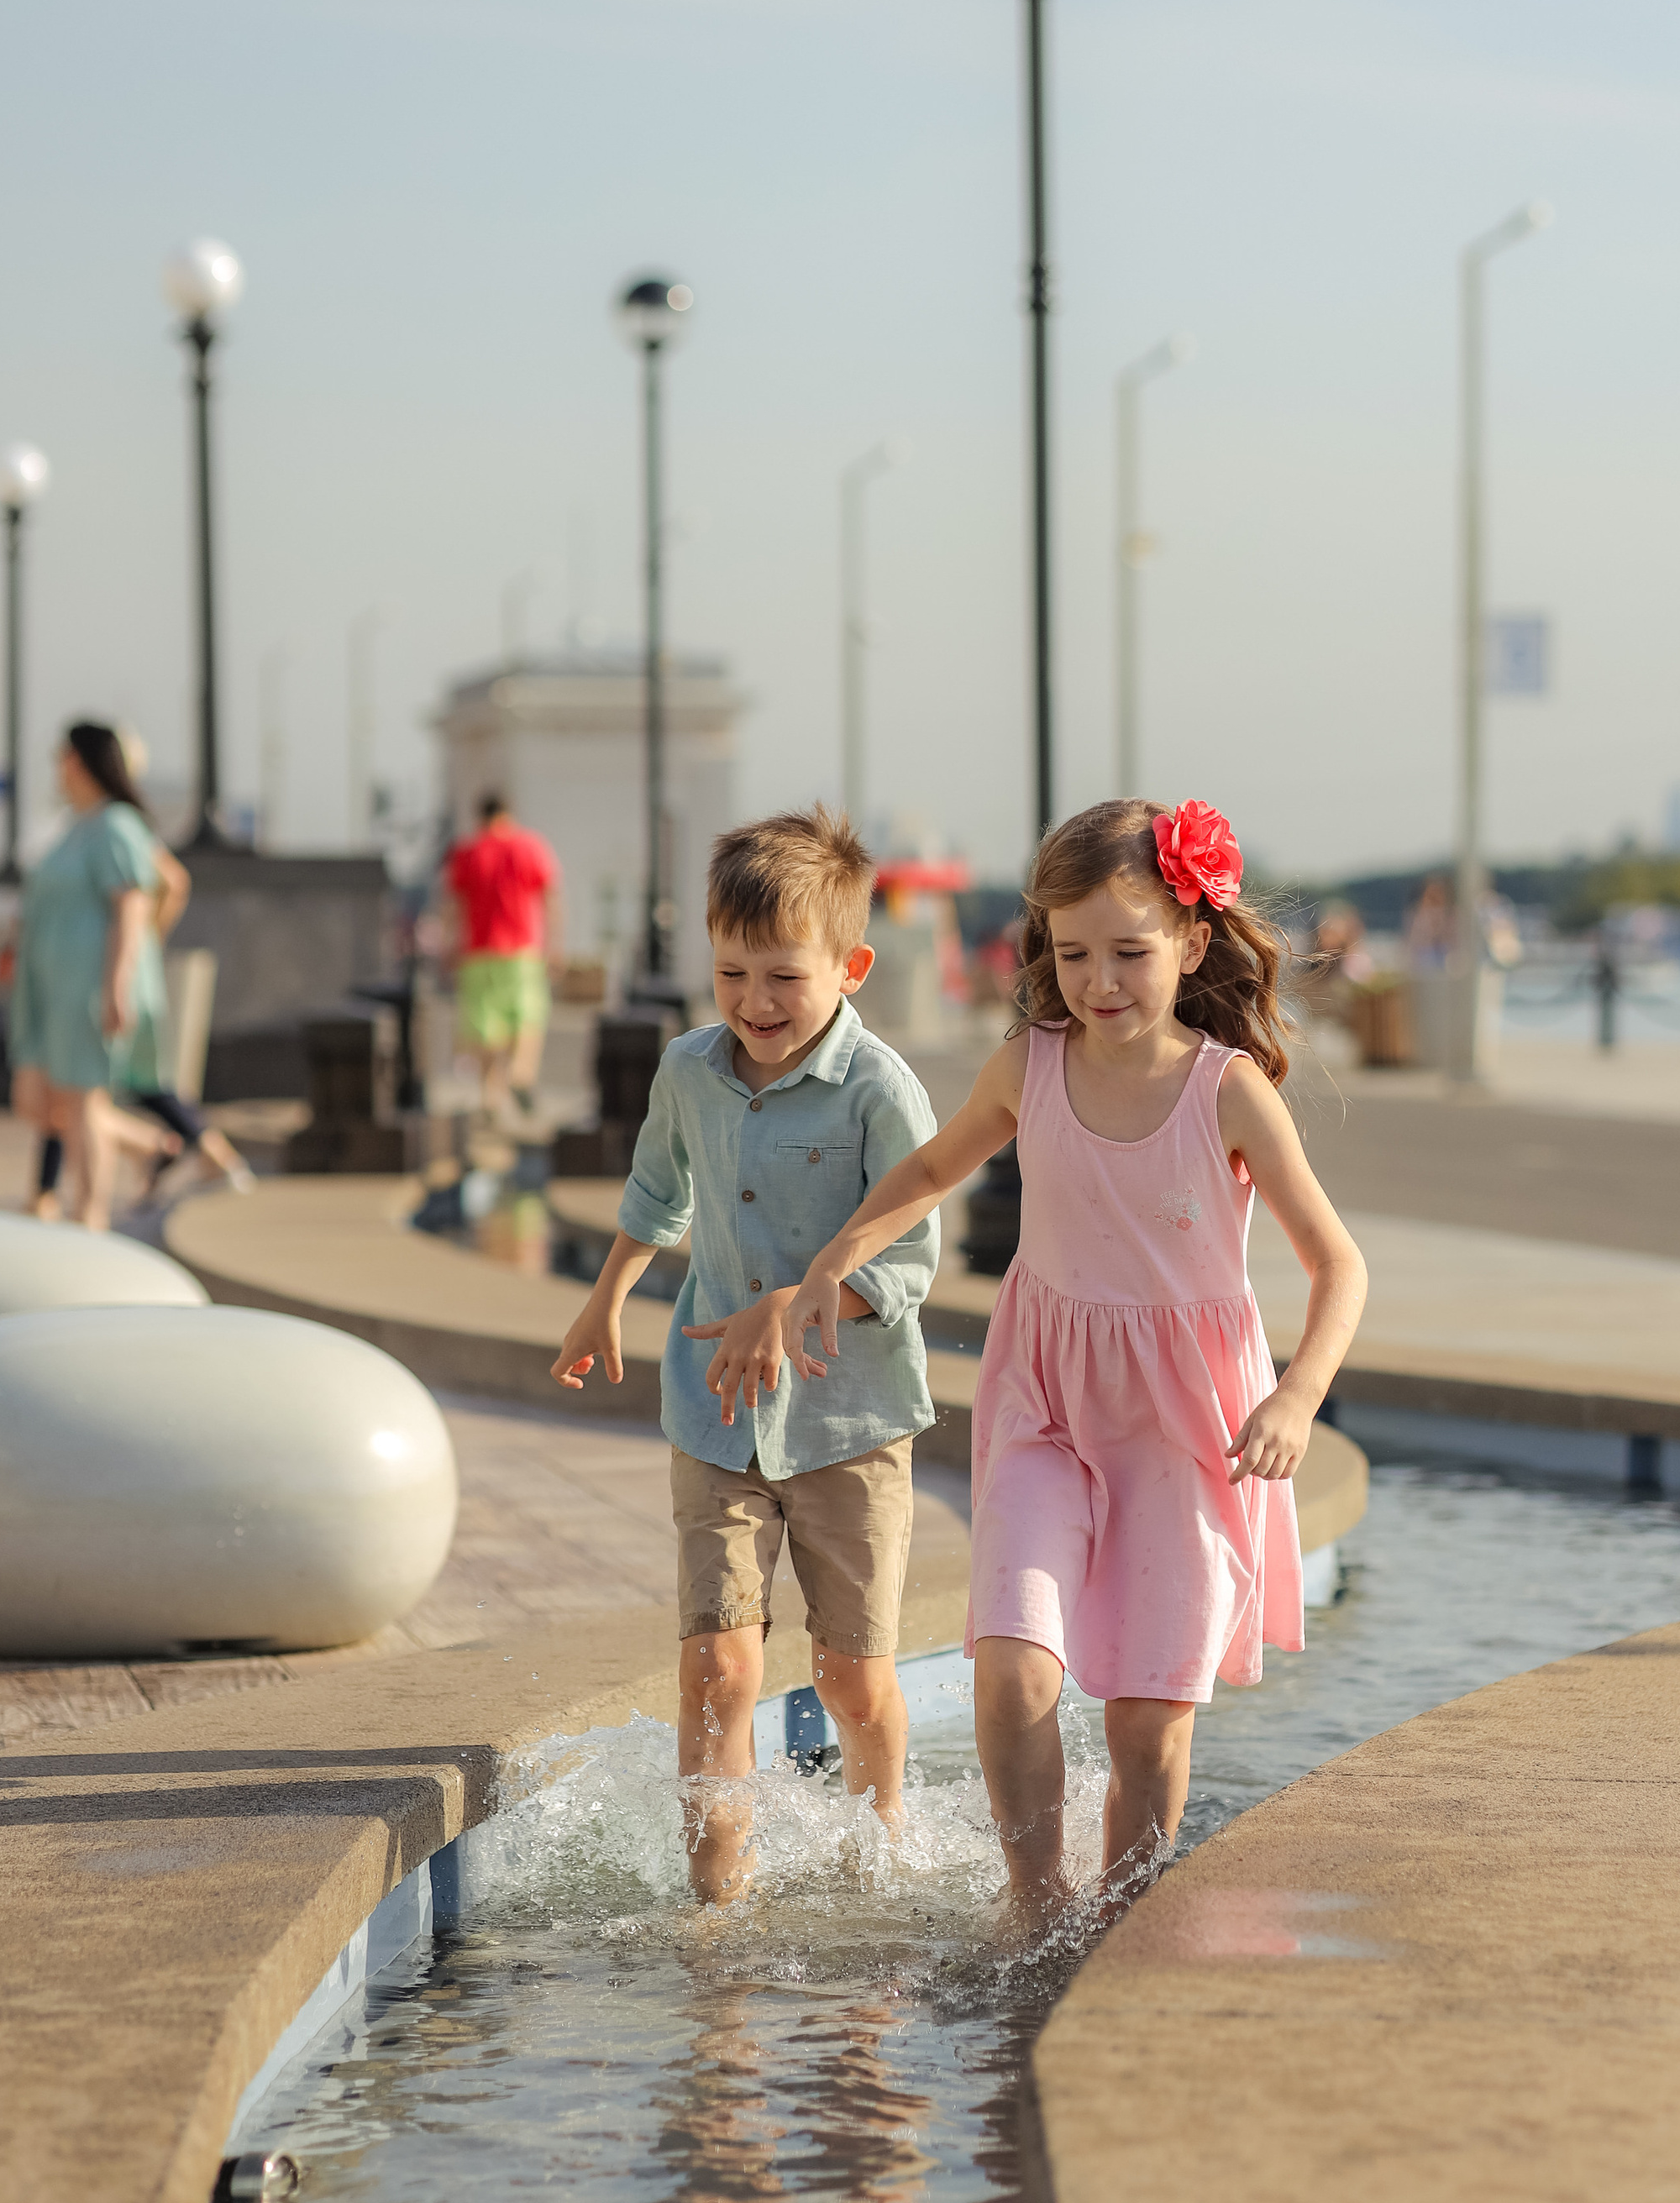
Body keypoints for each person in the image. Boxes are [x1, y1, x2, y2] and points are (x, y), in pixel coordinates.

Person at [783, 795, 1368, 1921]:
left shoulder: (1227, 1093)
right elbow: (928, 1169)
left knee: (1148, 1723)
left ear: (1194, 943)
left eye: (1131, 952)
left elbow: (1340, 1266)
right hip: (1046, 1406)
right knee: (1011, 1671)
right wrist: (835, 1256)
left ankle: (1124, 1919)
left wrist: (1296, 1397)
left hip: (1187, 1430)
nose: (1101, 980)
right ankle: (1037, 1904)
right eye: (1073, 952)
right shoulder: (1029, 1067)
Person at [550, 806, 937, 1903]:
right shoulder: (688, 1071)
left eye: (784, 978)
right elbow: (658, 1194)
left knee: (856, 1682)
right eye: (732, 976)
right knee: (719, 1666)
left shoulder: (880, 1093)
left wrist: (798, 1302)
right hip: (715, 1412)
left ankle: (882, 1852)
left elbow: (912, 1262)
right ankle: (715, 1905)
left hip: (848, 1426)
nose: (756, 1005)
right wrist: (605, 1302)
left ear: (849, 966)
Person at [4, 721, 165, 1231]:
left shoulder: (116, 825)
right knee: (45, 1102)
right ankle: (148, 1146)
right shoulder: (75, 824)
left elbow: (133, 905)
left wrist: (117, 984)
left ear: (78, 761)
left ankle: (89, 1220)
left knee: (83, 1098)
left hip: (87, 984)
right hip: (49, 986)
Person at [443, 790, 561, 1116]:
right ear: (508, 814)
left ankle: (489, 1095)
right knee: (528, 1018)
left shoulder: (467, 852)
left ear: (479, 817)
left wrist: (449, 946)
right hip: (523, 951)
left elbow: (452, 905)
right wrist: (555, 945)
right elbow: (551, 897)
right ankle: (520, 1074)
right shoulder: (530, 847)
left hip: (478, 952)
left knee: (486, 1026)